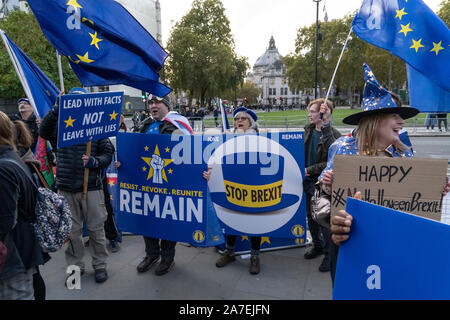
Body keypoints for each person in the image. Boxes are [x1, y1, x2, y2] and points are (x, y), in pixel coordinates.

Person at [319, 64, 449, 286]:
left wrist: (436, 189)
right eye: (395, 115)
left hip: (392, 242)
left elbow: (414, 200)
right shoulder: (342, 147)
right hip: (348, 242)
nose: (402, 122)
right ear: (376, 120)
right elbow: (323, 194)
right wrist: (327, 184)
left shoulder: (404, 152)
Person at [39, 87, 114, 284]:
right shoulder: (60, 126)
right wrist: (56, 108)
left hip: (91, 188)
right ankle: (75, 269)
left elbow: (108, 153)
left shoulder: (95, 127)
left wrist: (94, 162)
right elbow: (43, 131)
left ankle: (100, 266)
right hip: (66, 187)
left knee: (97, 229)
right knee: (72, 233)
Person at [117, 94, 193, 276]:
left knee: (167, 221)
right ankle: (151, 255)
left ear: (167, 105)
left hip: (170, 185)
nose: (153, 105)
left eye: (157, 102)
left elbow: (188, 154)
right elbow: (134, 152)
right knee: (147, 219)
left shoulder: (177, 125)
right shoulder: (143, 125)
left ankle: (167, 257)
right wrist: (123, 162)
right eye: (150, 102)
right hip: (146, 185)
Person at [0, 111, 46, 300]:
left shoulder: (3, 167)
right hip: (22, 247)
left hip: (13, 254)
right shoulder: (11, 157)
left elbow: (4, 220)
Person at [212, 107, 263, 275]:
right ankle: (230, 251)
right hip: (232, 186)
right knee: (232, 217)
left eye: (243, 118)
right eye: (236, 119)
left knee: (254, 221)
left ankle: (255, 256)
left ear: (250, 122)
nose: (239, 121)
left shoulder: (260, 139)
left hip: (253, 185)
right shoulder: (228, 139)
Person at [303, 99, 341, 272]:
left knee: (322, 217)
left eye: (313, 111)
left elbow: (330, 162)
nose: (309, 114)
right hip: (307, 179)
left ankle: (328, 254)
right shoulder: (307, 131)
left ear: (323, 113)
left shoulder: (334, 135)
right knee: (310, 216)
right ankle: (317, 245)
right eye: (309, 111)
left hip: (322, 181)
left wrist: (309, 169)